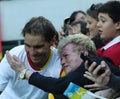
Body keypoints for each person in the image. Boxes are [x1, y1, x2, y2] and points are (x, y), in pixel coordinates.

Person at [6, 34, 120, 98]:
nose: (62, 62)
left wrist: (24, 71)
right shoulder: (78, 82)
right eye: (60, 58)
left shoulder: (94, 64)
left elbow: (56, 85)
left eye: (66, 55)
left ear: (84, 52)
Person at [0, 16, 62, 99]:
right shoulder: (14, 55)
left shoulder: (61, 60)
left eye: (38, 47)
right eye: (27, 45)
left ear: (53, 41)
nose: (32, 52)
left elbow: (76, 94)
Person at [96, 0, 120, 67]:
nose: (98, 24)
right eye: (98, 20)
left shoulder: (115, 51)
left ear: (118, 25)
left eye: (103, 21)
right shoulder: (110, 44)